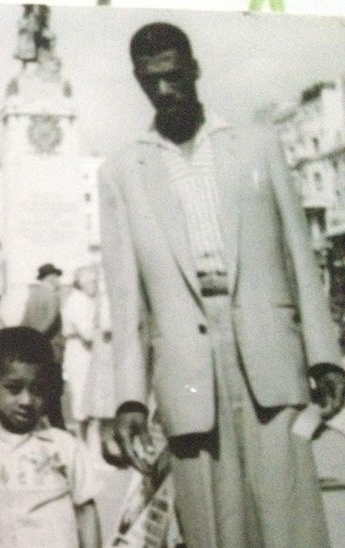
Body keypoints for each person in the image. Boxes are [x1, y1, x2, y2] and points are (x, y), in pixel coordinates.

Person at [98, 22, 345, 547]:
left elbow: (299, 254)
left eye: (173, 77)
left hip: (270, 356)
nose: (164, 92)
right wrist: (129, 400)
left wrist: (324, 355)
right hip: (186, 372)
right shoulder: (122, 171)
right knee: (214, 525)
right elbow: (126, 299)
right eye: (150, 82)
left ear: (194, 70)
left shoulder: (257, 146)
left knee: (291, 519)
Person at [0, 327, 101, 548]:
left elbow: (86, 511)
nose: (26, 400)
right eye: (14, 389)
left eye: (38, 390)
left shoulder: (64, 447)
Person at [60, 264, 100, 441]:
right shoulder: (79, 302)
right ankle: (85, 446)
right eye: (93, 281)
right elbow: (88, 334)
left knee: (86, 400)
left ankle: (88, 445)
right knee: (83, 400)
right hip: (81, 353)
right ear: (82, 283)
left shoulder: (81, 300)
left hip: (83, 353)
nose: (96, 285)